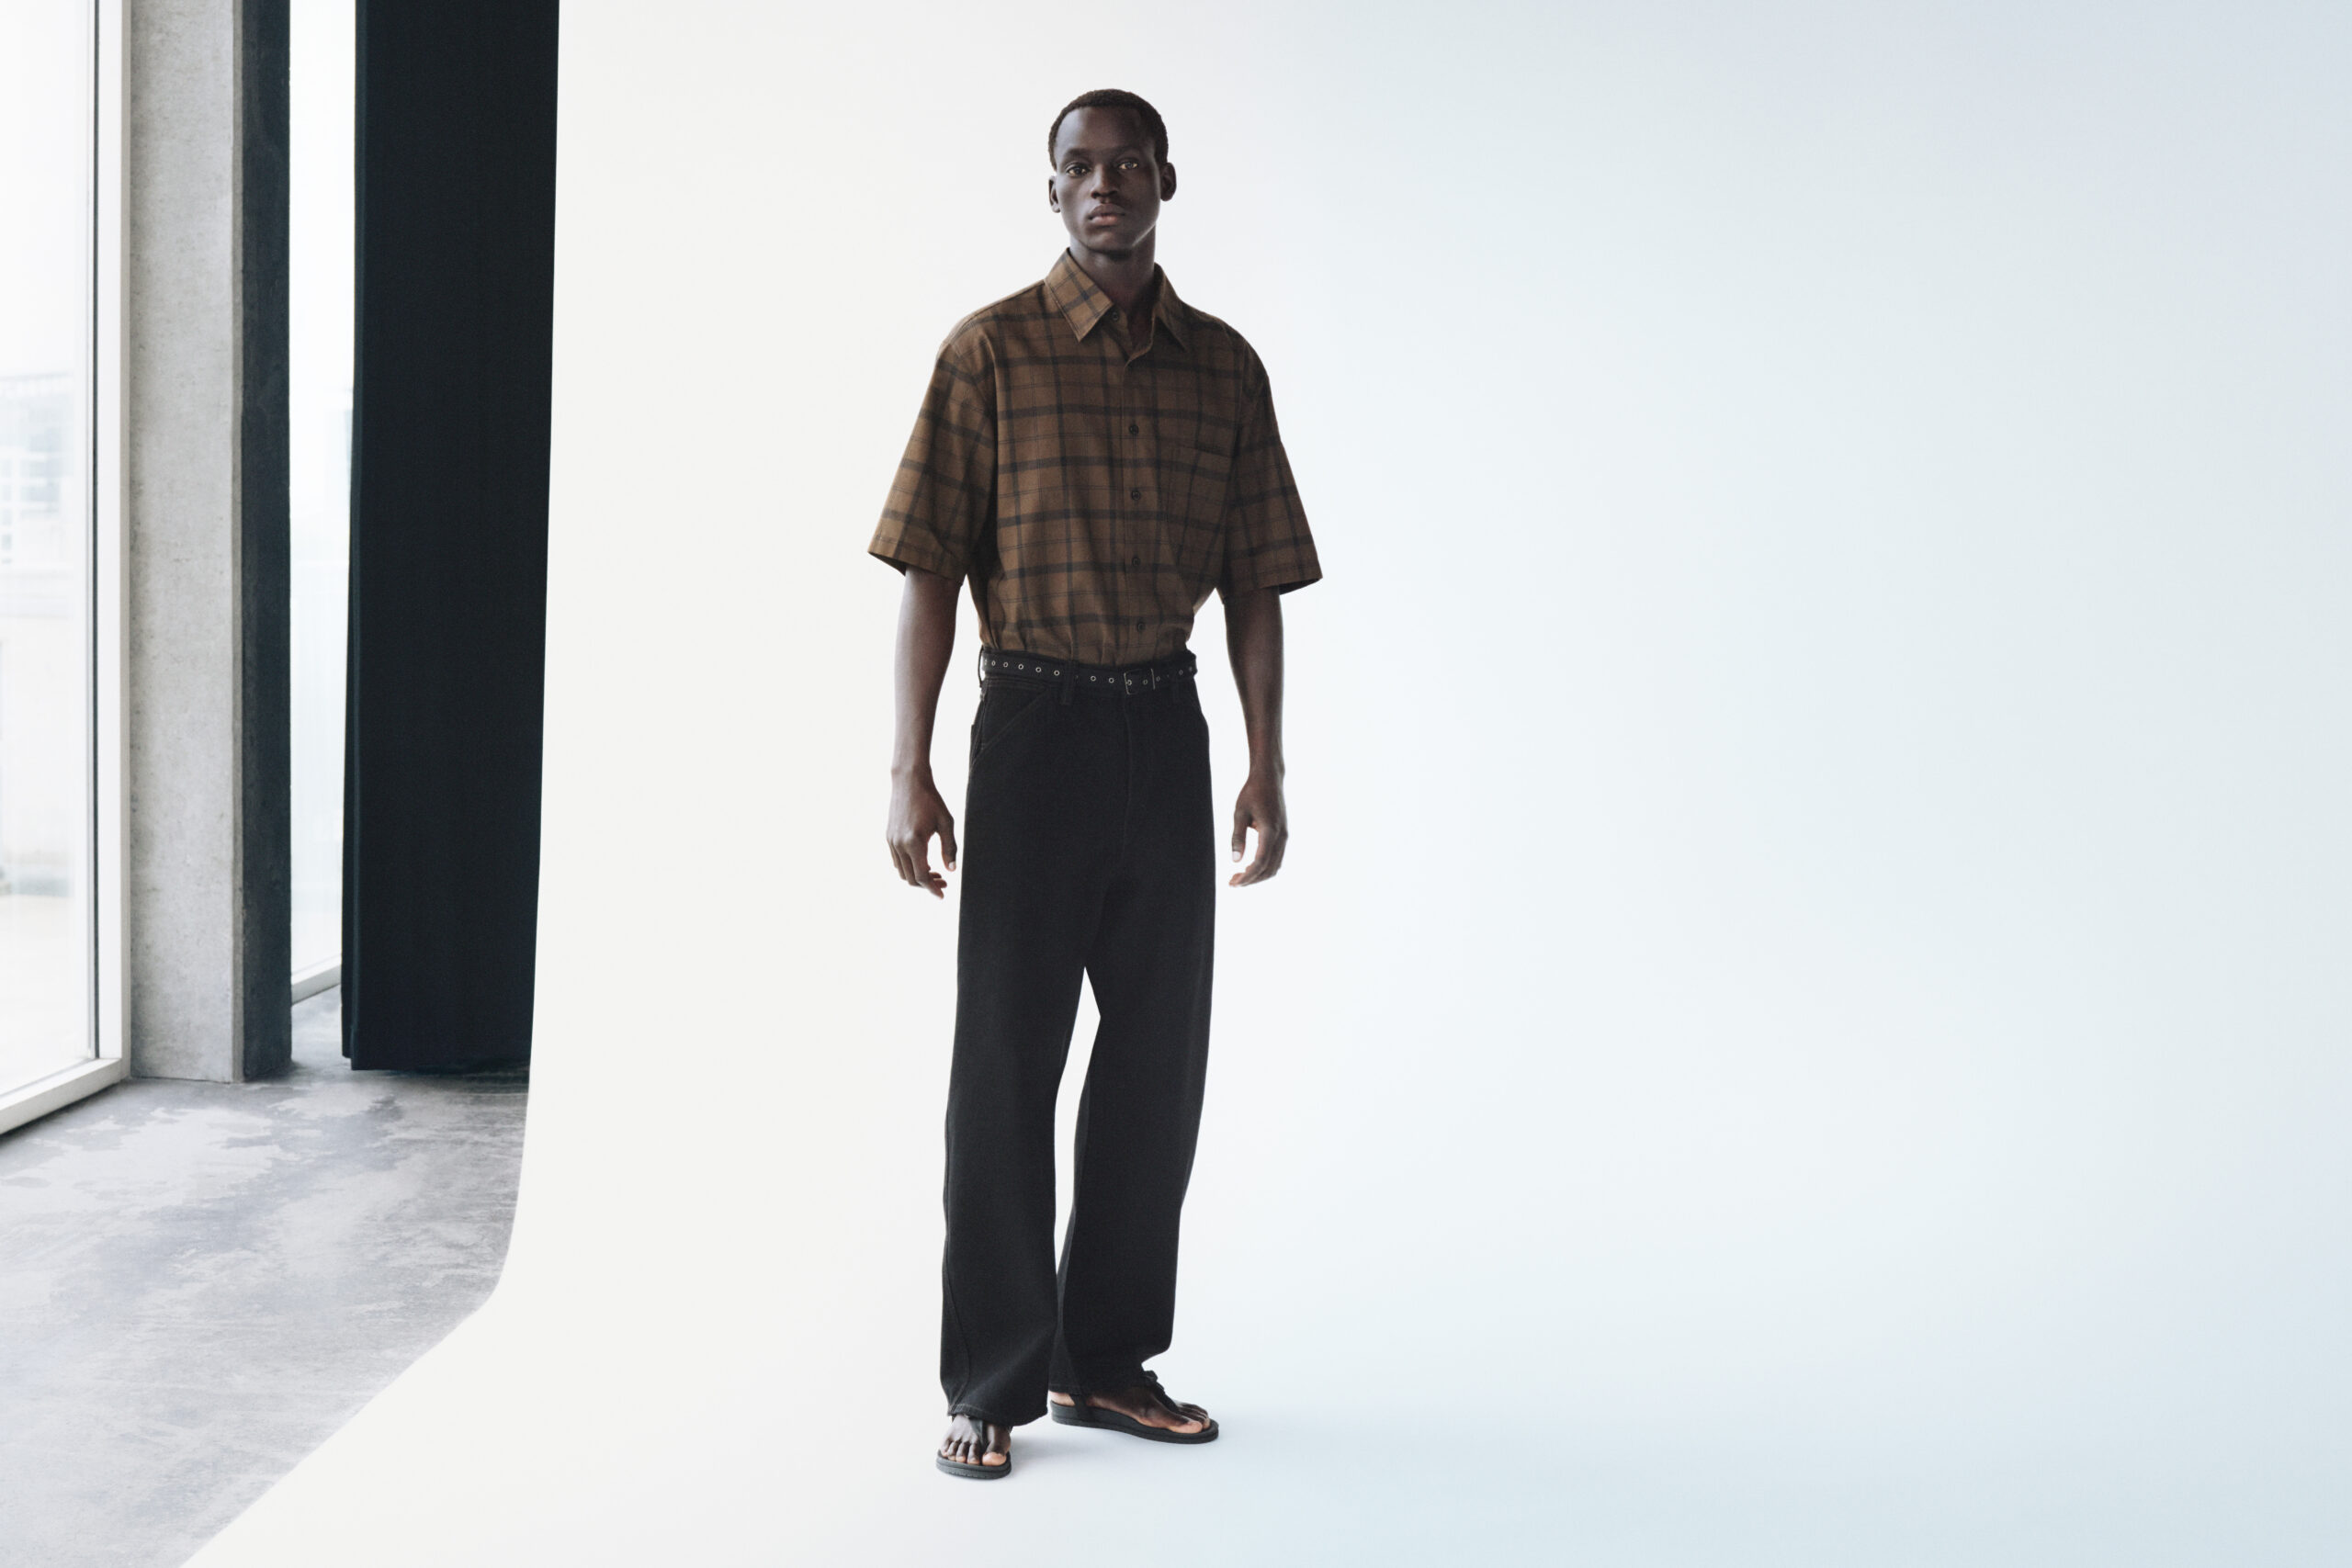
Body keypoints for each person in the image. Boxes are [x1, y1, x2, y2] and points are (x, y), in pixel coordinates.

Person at [871, 87, 1322, 1480]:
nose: (1105, 185)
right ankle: (992, 1379)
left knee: (1154, 1064)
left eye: (1130, 165)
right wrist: (910, 769)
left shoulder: (1225, 369)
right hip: (1032, 727)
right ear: (1052, 188)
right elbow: (930, 570)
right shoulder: (988, 352)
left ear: (1166, 182)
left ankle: (1105, 1360)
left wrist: (1265, 760)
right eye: (1081, 166)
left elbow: (1256, 583)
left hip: (1164, 730)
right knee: (1007, 1061)